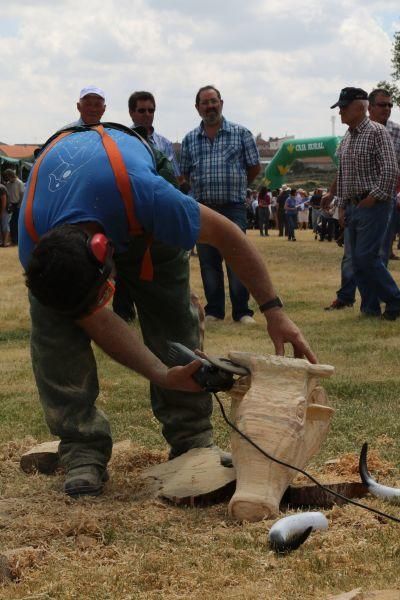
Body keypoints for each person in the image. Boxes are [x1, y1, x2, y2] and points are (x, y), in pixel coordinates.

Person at [19, 124, 316, 498]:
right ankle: (81, 448)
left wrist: (274, 310)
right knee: (53, 334)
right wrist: (160, 373)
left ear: (103, 249)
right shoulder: (34, 239)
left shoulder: (151, 197)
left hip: (130, 199)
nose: (98, 308)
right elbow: (92, 317)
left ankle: (191, 439)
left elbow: (228, 235)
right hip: (82, 199)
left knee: (172, 317)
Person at [180, 85, 261, 325]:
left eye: (213, 101)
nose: (210, 106)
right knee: (208, 261)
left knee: (237, 257)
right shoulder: (189, 139)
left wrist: (236, 185)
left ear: (221, 103)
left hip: (233, 207)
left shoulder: (241, 133)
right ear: (197, 108)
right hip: (203, 208)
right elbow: (183, 174)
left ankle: (242, 311)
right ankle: (214, 310)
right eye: (205, 103)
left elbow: (254, 167)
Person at [323, 87, 400, 320]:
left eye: (344, 107)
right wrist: (343, 205)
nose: (340, 112)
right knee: (357, 261)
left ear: (360, 107)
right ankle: (370, 308)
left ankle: (395, 301)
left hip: (373, 204)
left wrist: (373, 197)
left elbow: (390, 169)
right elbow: (345, 173)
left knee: (367, 257)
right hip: (355, 204)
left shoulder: (377, 132)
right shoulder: (347, 137)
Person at [128, 90, 182, 183]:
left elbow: (176, 178)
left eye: (151, 110)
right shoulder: (124, 140)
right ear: (131, 113)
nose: (147, 114)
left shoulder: (165, 144)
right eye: (142, 111)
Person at [3, 169, 24, 245]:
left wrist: (19, 204)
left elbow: (22, 194)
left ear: (11, 175)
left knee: (16, 223)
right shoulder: (8, 184)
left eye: (8, 176)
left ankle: (17, 240)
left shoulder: (19, 183)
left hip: (18, 204)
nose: (7, 178)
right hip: (11, 205)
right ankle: (13, 239)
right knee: (11, 223)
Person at [0, 179, 10, 247]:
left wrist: (2, 212)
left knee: (5, 225)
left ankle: (5, 242)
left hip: (4, 209)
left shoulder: (1, 188)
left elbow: (4, 201)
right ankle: (1, 242)